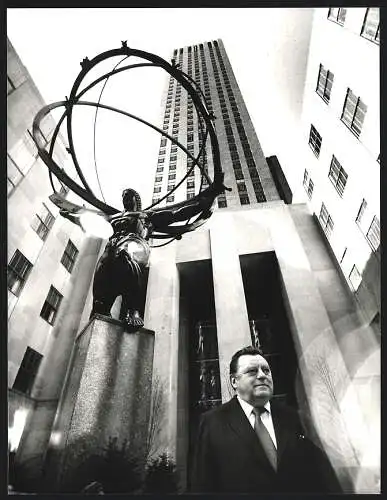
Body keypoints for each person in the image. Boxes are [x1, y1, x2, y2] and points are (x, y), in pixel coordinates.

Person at [191, 345, 342, 493]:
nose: (262, 375)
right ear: (234, 381)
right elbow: (203, 486)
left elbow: (323, 477)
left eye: (266, 370)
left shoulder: (295, 419)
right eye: (252, 371)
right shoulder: (212, 423)